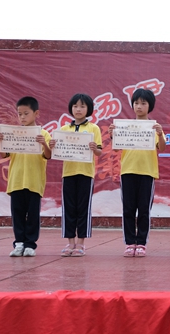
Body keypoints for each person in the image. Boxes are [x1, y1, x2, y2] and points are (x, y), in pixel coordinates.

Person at [108, 88, 166, 257]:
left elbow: (162, 147)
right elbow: (116, 148)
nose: (139, 106)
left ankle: (141, 243)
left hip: (147, 172)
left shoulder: (154, 126)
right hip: (128, 171)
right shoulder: (125, 126)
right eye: (136, 103)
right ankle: (129, 243)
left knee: (144, 210)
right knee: (128, 209)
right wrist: (113, 135)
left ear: (150, 106)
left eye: (143, 103)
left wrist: (160, 134)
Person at [0, 96, 52, 257]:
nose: (22, 117)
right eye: (20, 114)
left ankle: (30, 244)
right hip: (16, 180)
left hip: (34, 181)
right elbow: (4, 154)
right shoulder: (14, 133)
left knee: (33, 215)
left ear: (36, 113)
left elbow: (48, 155)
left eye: (26, 113)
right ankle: (19, 243)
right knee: (18, 213)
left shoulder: (43, 134)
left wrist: (44, 143)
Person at [49, 93, 102, 257]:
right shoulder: (64, 130)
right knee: (69, 208)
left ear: (89, 109)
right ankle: (70, 241)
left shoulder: (93, 128)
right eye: (75, 106)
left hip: (86, 173)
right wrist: (52, 145)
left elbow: (99, 152)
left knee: (83, 208)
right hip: (69, 173)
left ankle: (81, 243)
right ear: (71, 108)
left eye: (82, 106)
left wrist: (94, 148)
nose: (78, 109)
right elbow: (55, 150)